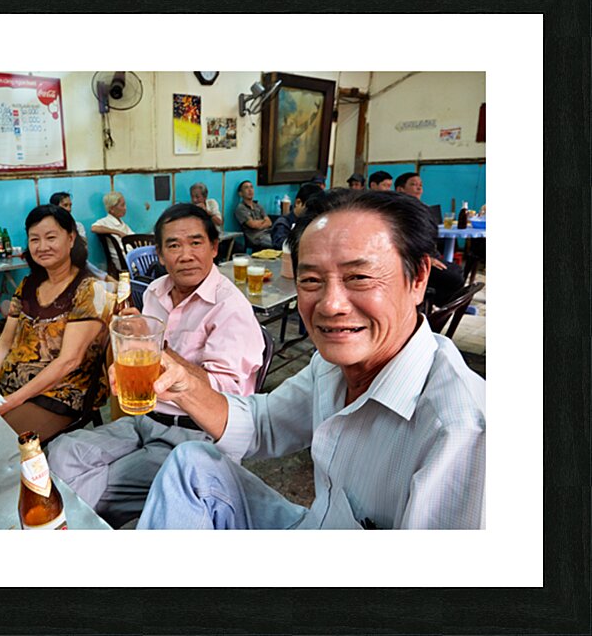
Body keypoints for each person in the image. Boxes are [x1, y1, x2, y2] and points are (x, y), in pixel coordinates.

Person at [136, 190, 485, 530]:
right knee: (192, 462)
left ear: (418, 278)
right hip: (317, 526)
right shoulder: (331, 366)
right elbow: (264, 423)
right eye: (311, 280)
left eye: (359, 277)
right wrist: (184, 385)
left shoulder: (461, 432)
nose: (331, 305)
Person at [47, 203, 264, 528]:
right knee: (62, 450)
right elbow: (136, 354)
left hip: (193, 436)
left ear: (214, 248)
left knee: (81, 489)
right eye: (173, 245)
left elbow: (229, 397)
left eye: (196, 242)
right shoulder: (155, 292)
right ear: (160, 255)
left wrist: (159, 350)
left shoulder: (229, 308)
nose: (185, 254)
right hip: (144, 418)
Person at [0, 205, 110, 443]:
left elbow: (69, 361)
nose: (42, 246)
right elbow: (5, 341)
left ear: (71, 239)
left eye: (51, 237)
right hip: (12, 385)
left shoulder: (90, 289)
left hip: (60, 393)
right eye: (34, 239)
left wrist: (11, 402)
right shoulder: (28, 285)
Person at [394, 172, 465, 305]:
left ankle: (435, 304)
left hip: (427, 255)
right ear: (400, 189)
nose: (419, 188)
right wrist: (424, 258)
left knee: (457, 269)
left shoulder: (421, 208)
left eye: (420, 185)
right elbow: (401, 239)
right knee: (453, 277)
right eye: (413, 184)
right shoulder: (397, 210)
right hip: (411, 259)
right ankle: (434, 306)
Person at [270, 182, 323, 249]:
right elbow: (281, 245)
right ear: (298, 202)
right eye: (310, 208)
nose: (313, 213)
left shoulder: (315, 222)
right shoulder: (283, 223)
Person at [91, 192, 135, 272]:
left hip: (130, 254)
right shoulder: (105, 222)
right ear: (112, 209)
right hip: (122, 259)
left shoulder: (122, 223)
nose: (125, 208)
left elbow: (133, 237)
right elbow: (94, 228)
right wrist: (117, 232)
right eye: (122, 205)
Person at [233, 180, 273, 251]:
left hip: (269, 233)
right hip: (256, 238)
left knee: (285, 240)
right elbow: (253, 225)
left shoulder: (258, 206)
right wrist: (263, 221)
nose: (250, 190)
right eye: (246, 188)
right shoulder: (241, 208)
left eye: (251, 187)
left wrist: (259, 224)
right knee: (276, 244)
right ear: (240, 193)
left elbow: (269, 222)